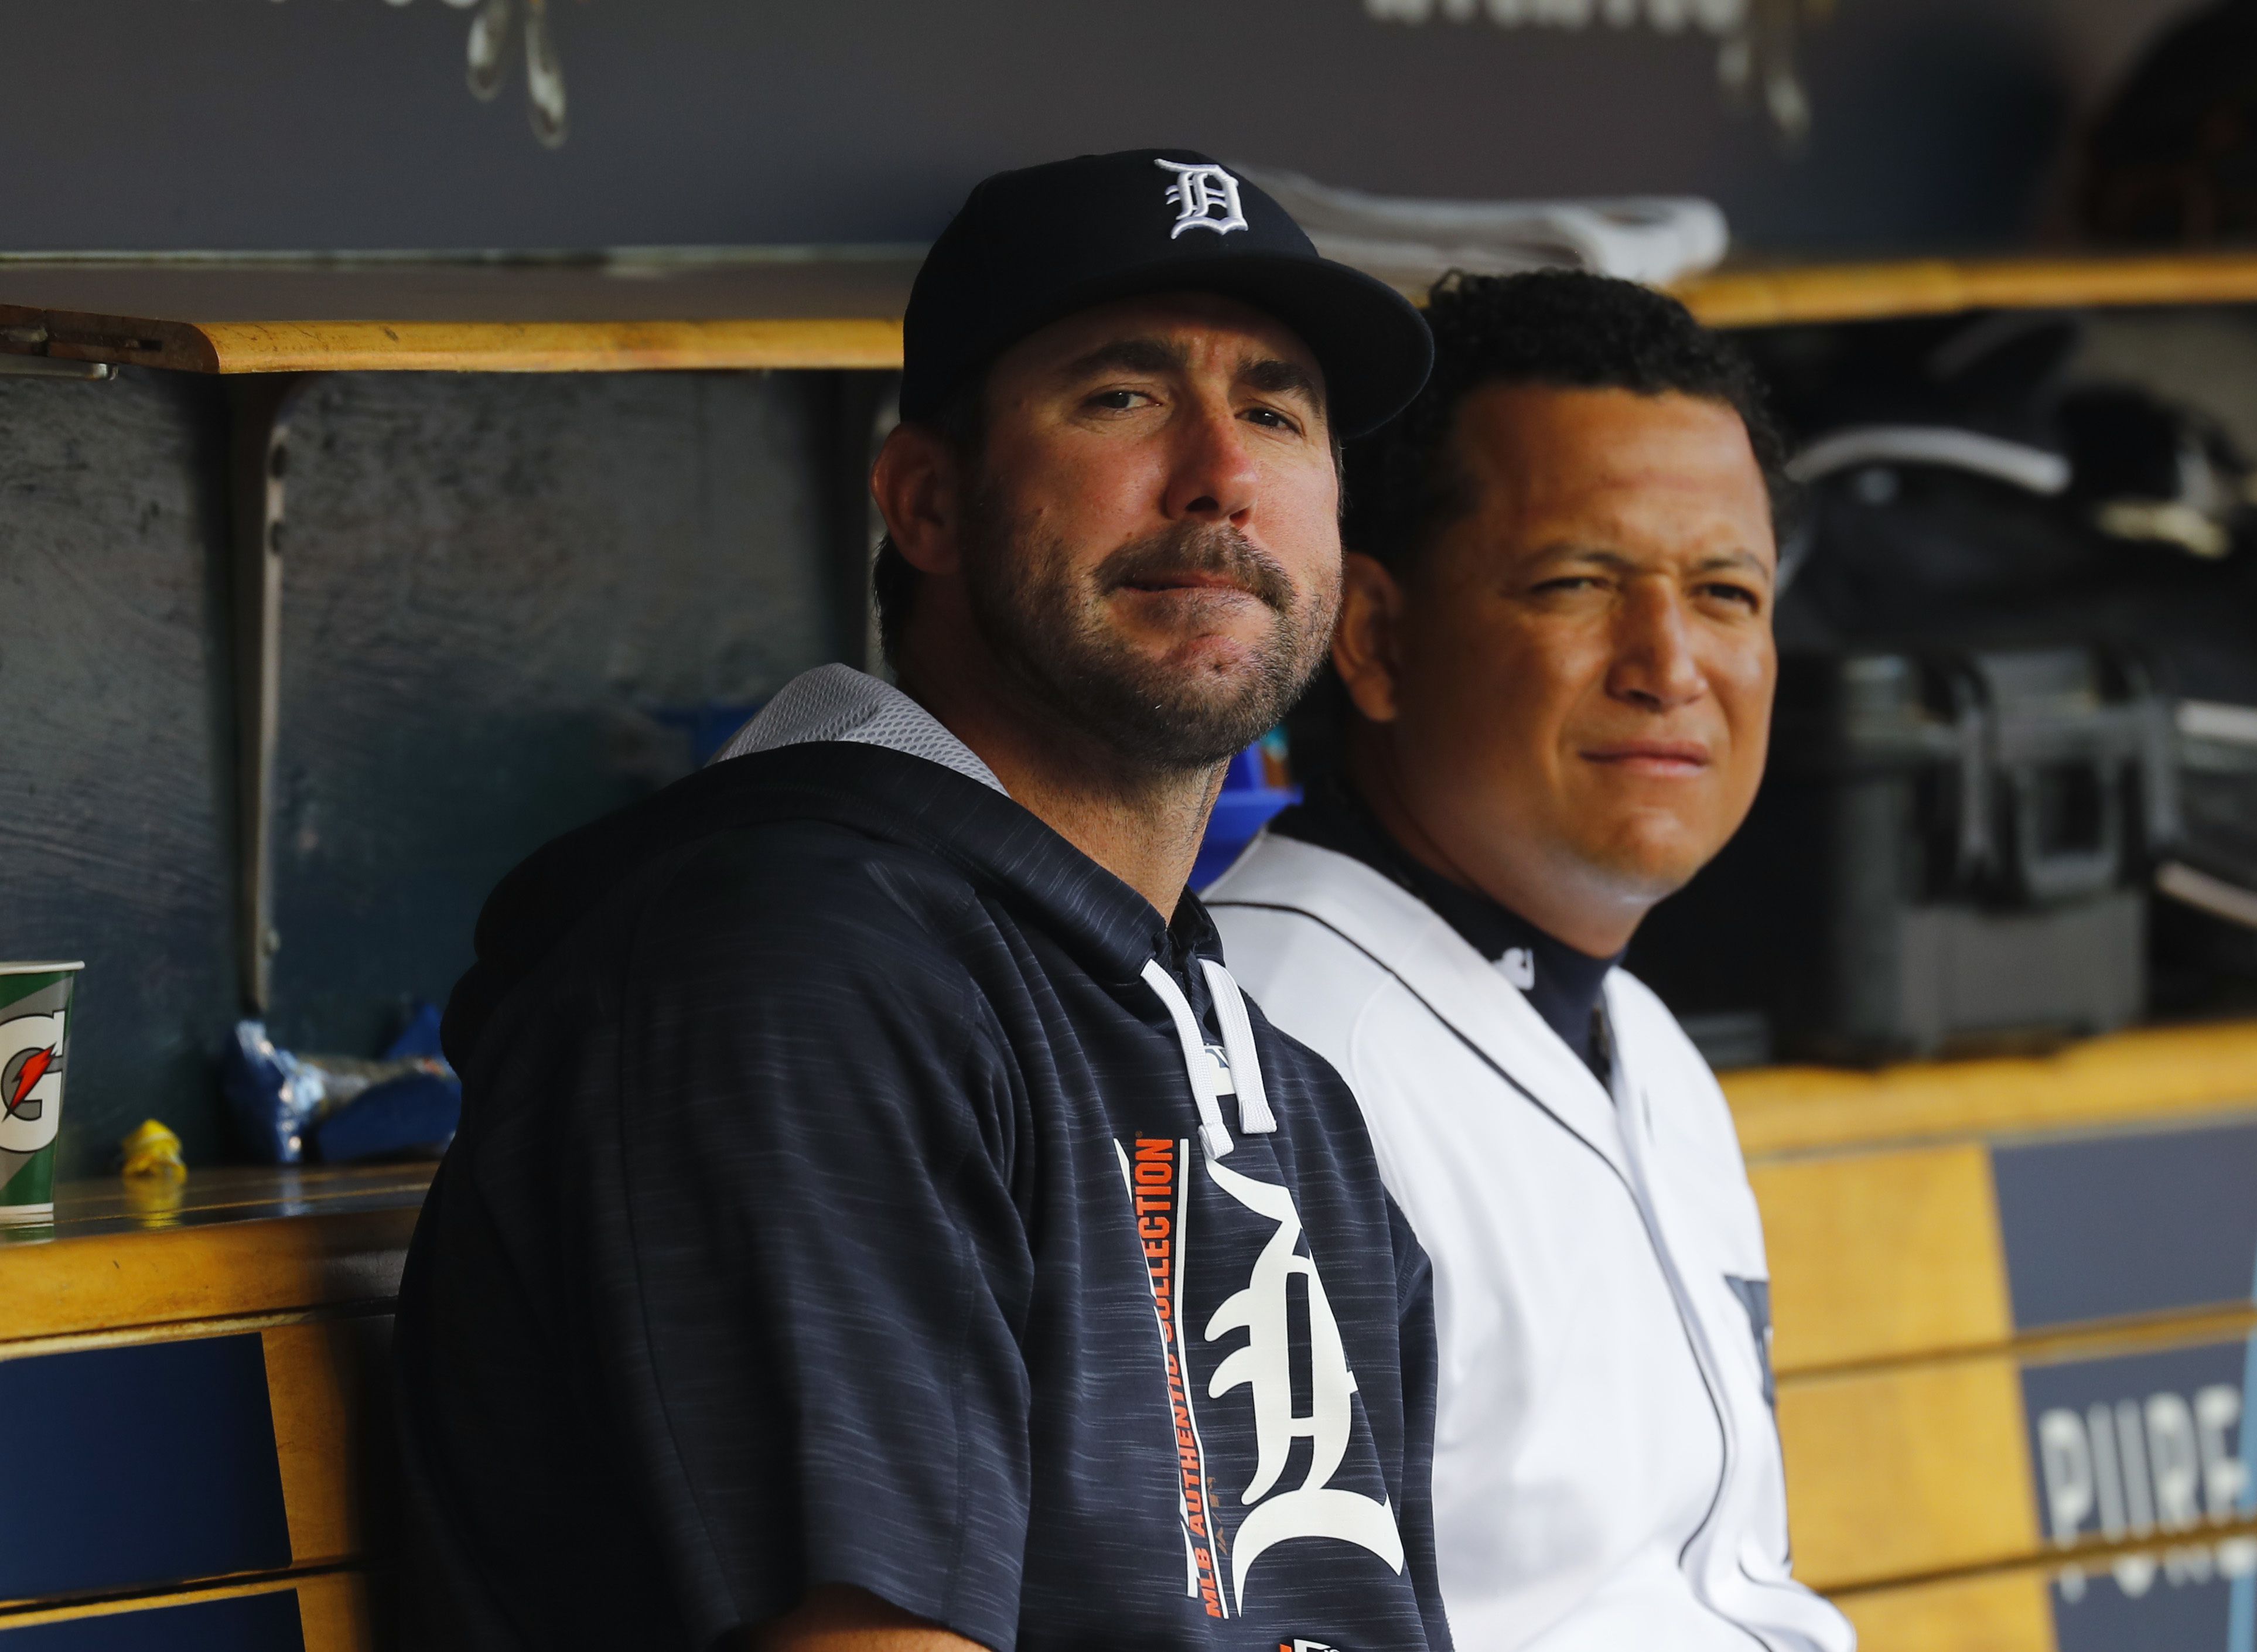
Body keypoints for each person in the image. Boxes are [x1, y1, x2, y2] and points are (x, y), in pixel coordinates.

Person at [393, 150, 1453, 1652]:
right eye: (1123, 398)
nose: (1222, 473)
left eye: (1278, 410)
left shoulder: (1272, 1083)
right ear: (926, 502)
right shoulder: (798, 974)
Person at [1206, 271, 1855, 1652]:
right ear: (1374, 639)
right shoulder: (1261, 1061)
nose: (1669, 662)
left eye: (1726, 592)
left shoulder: (1634, 1030)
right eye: (1579, 585)